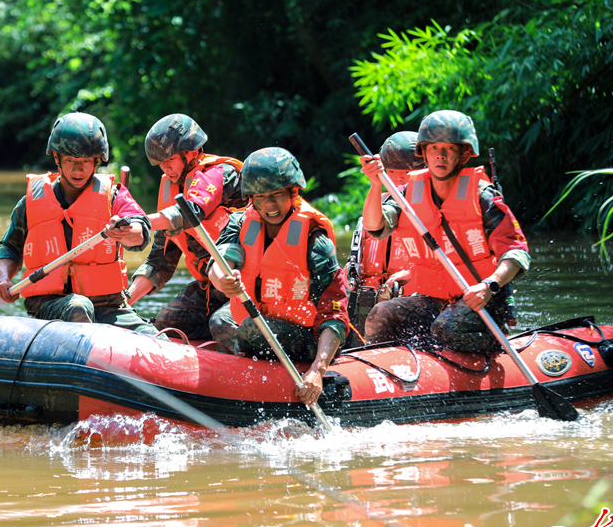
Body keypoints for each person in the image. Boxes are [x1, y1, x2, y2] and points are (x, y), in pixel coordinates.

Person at [358, 110, 530, 353]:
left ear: (463, 153)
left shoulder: (482, 195)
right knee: (381, 314)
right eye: (433, 148)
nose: (440, 155)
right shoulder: (408, 192)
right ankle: (393, 373)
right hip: (434, 298)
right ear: (424, 154)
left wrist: (489, 285)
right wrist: (376, 184)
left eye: (449, 149)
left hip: (480, 298)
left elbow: (516, 252)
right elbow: (375, 226)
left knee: (446, 327)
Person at [0, 112, 158, 335]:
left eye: (86, 161)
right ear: (57, 159)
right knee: (79, 306)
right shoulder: (31, 203)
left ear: (97, 161)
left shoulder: (114, 196)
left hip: (108, 306)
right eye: (70, 161)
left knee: (156, 339)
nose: (78, 170)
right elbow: (8, 249)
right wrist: (4, 280)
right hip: (50, 305)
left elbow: (140, 231)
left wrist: (125, 231)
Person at [207, 147, 349, 405]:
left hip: (306, 334)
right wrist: (222, 279)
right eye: (261, 197)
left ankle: (255, 386)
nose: (270, 205)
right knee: (220, 319)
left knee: (251, 330)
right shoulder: (240, 222)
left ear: (293, 193)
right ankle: (232, 383)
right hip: (263, 319)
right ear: (251, 198)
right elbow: (219, 262)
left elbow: (334, 311)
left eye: (277, 195)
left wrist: (318, 370)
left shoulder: (314, 241)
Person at [126, 114, 247, 339]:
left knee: (222, 324)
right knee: (167, 321)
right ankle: (214, 343)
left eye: (169, 160)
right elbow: (159, 261)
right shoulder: (171, 191)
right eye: (160, 163)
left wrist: (141, 222)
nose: (165, 169)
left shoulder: (221, 173)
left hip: (243, 281)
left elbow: (191, 212)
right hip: (212, 286)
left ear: (190, 152)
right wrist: (126, 300)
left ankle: (239, 342)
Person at [345, 131, 424, 344]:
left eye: (406, 172)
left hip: (408, 304)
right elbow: (364, 243)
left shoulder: (433, 210)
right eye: (392, 171)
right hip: (367, 304)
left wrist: (412, 273)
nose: (398, 179)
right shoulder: (377, 204)